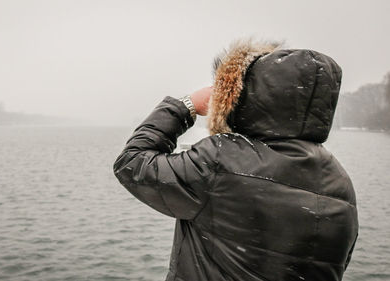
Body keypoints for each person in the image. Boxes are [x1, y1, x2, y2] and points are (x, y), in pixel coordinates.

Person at [113, 40, 358, 281]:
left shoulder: (223, 159)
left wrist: (184, 106)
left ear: (250, 97)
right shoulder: (340, 184)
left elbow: (132, 163)